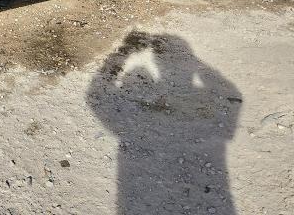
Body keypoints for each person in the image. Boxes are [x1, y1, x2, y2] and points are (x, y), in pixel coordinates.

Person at [87, 31, 242, 214]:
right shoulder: (198, 100)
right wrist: (193, 62)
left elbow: (94, 96)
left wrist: (125, 50)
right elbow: (232, 94)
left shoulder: (125, 127)